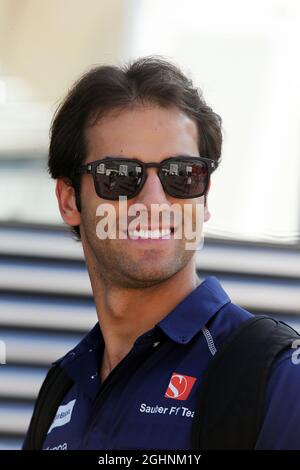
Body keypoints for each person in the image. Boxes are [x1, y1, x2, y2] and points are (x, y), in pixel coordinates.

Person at [24, 56, 300, 450]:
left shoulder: (276, 376)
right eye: (119, 175)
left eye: (182, 175)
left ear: (204, 198)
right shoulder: (63, 385)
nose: (154, 201)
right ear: (69, 201)